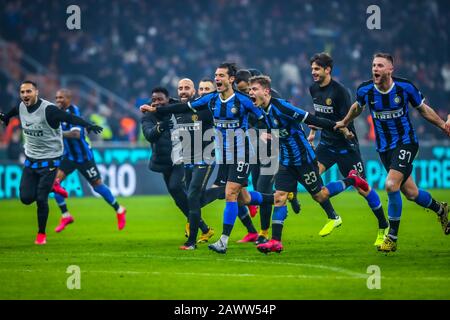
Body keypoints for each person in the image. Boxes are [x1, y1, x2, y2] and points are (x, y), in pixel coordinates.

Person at [142, 62, 274, 254]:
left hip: (242, 153)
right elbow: (183, 107)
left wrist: (265, 134)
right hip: (225, 156)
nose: (217, 78)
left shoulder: (243, 101)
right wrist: (157, 111)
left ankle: (222, 240)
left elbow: (262, 118)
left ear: (231, 79)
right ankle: (278, 198)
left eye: (221, 75)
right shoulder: (211, 100)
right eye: (216, 75)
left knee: (228, 193)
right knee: (243, 198)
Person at [335, 53, 450, 252]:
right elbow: (357, 107)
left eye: (380, 66)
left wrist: (442, 125)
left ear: (390, 70)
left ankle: (392, 237)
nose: (375, 69)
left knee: (390, 184)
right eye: (373, 65)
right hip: (384, 149)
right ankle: (441, 209)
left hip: (406, 143)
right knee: (412, 194)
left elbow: (422, 109)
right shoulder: (365, 90)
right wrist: (344, 122)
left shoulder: (405, 88)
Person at [248, 75, 368, 254]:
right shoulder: (260, 111)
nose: (251, 93)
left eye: (254, 89)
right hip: (287, 162)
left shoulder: (282, 107)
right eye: (249, 90)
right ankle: (275, 241)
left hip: (304, 160)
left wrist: (339, 126)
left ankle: (352, 180)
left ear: (266, 91)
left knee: (320, 195)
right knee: (279, 197)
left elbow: (312, 119)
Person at [0, 81, 102, 245]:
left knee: (41, 199)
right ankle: (52, 186)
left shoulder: (49, 110)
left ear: (36, 92)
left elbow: (70, 117)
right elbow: (11, 114)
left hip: (50, 159)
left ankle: (41, 234)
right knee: (26, 199)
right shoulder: (20, 107)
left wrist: (88, 125)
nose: (25, 95)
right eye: (23, 92)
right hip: (31, 159)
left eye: (29, 92)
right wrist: (5, 118)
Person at [308, 53, 388, 244]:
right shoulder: (313, 89)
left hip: (346, 146)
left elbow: (347, 118)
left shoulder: (340, 92)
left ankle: (384, 225)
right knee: (311, 179)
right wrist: (312, 134)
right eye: (312, 69)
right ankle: (333, 217)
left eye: (317, 69)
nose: (313, 73)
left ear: (328, 70)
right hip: (326, 144)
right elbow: (320, 116)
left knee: (363, 189)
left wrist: (346, 132)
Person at [141, 87, 213, 241]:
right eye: (154, 100)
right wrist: (162, 126)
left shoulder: (176, 107)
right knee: (178, 196)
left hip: (181, 158)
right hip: (163, 161)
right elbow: (149, 135)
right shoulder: (148, 115)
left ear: (168, 100)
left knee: (177, 188)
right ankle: (203, 228)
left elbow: (189, 108)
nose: (157, 103)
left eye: (160, 99)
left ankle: (194, 227)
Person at [51, 89, 126, 233]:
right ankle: (65, 215)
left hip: (84, 157)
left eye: (61, 97)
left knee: (97, 186)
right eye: (56, 97)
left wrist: (56, 133)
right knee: (55, 183)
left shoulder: (74, 112)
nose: (58, 100)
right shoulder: (57, 113)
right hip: (69, 156)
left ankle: (119, 209)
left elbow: (76, 134)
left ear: (68, 98)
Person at [174, 78, 215, 249]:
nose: (183, 91)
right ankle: (204, 230)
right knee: (195, 198)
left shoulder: (206, 108)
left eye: (187, 88)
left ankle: (191, 241)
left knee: (192, 196)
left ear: (193, 92)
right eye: (180, 88)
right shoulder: (178, 110)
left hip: (205, 158)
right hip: (188, 160)